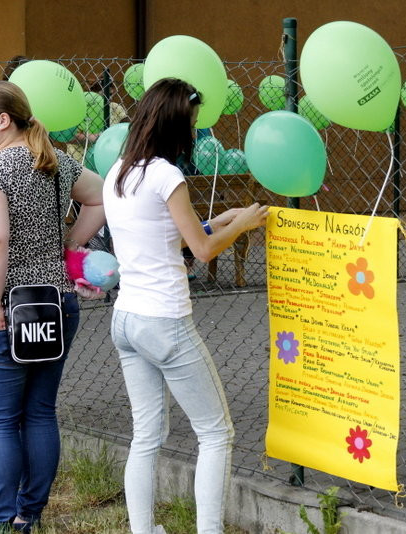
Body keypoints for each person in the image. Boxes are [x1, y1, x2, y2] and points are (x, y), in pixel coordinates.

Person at [102, 78, 269, 534]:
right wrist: (245, 224)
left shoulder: (119, 171)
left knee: (146, 436)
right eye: (193, 123)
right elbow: (201, 250)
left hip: (127, 319)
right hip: (165, 322)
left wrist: (221, 220)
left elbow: (165, 236)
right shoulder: (167, 174)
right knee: (217, 434)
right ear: (176, 123)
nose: (195, 132)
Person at [0, 80, 106, 534]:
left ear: (2, 120)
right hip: (55, 303)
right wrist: (70, 245)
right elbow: (100, 197)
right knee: (39, 412)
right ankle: (26, 516)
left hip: (4, 311)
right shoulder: (55, 162)